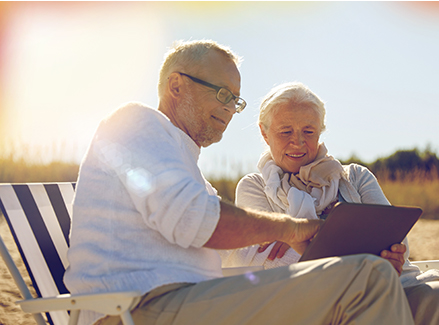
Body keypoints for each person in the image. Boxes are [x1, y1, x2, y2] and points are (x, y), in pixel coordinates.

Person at [64, 40, 415, 325]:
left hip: (192, 301)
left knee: (378, 284)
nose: (231, 109)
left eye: (236, 100)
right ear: (176, 85)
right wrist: (291, 229)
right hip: (138, 309)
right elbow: (195, 220)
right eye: (222, 94)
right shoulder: (135, 122)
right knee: (367, 277)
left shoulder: (189, 169)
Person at [219, 81, 439, 325]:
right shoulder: (254, 186)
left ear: (320, 131)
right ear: (264, 132)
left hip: (393, 281)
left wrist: (391, 255)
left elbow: (397, 239)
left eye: (309, 131)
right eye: (286, 131)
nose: (298, 142)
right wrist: (363, 257)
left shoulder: (355, 176)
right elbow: (269, 260)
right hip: (312, 298)